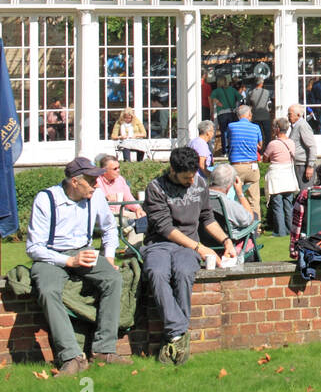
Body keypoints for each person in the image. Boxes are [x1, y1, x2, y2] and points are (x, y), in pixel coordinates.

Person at [27, 157, 130, 375]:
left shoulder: (95, 197)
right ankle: (72, 356)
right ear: (75, 182)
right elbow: (34, 248)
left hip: (84, 251)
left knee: (113, 278)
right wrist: (68, 261)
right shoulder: (46, 199)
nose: (96, 184)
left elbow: (110, 229)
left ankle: (104, 350)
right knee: (47, 290)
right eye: (91, 180)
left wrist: (109, 257)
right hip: (50, 256)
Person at [142, 146, 236, 365]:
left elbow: (207, 218)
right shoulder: (155, 188)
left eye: (193, 176)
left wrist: (226, 241)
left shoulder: (200, 183)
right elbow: (165, 228)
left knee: (184, 272)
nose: (190, 181)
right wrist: (199, 247)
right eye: (186, 178)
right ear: (172, 171)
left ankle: (174, 336)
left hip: (188, 247)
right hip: (159, 244)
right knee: (156, 273)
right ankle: (178, 333)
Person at [208, 163, 259, 250]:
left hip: (205, 244)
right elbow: (249, 219)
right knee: (254, 217)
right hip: (228, 245)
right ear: (230, 185)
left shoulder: (199, 198)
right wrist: (239, 193)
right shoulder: (227, 203)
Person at [263, 118, 299, 236]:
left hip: (277, 175)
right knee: (288, 205)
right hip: (288, 175)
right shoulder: (291, 142)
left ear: (277, 129)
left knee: (277, 205)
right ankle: (290, 230)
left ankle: (280, 231)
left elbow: (265, 159)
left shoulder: (273, 144)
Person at [226, 105, 262, 216]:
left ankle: (235, 223)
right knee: (254, 199)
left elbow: (229, 140)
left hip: (237, 166)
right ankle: (256, 227)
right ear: (249, 115)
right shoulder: (256, 128)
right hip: (252, 166)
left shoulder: (231, 126)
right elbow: (260, 145)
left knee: (234, 197)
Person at [95, 153, 145, 229]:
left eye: (119, 167)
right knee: (128, 222)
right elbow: (92, 202)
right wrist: (105, 198)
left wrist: (138, 209)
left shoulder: (120, 179)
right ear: (104, 171)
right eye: (115, 169)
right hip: (103, 215)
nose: (118, 170)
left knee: (142, 218)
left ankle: (132, 232)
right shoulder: (96, 181)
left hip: (121, 213)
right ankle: (130, 227)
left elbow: (129, 199)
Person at [287, 103, 316, 188]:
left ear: (298, 115)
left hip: (303, 165)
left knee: (304, 194)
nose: (288, 116)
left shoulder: (302, 125)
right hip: (297, 164)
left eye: (290, 114)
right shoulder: (295, 126)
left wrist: (310, 166)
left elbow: (312, 146)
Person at [210, 77, 238, 154]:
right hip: (231, 113)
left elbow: (212, 100)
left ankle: (224, 151)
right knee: (231, 132)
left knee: (223, 132)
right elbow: (240, 98)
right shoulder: (232, 90)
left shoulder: (216, 91)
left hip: (221, 114)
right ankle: (231, 150)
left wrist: (212, 112)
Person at [247, 77, 273, 146]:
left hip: (255, 115)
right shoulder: (267, 92)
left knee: (256, 133)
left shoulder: (250, 93)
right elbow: (269, 101)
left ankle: (258, 147)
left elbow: (248, 103)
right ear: (262, 83)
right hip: (265, 115)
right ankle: (267, 147)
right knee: (267, 133)